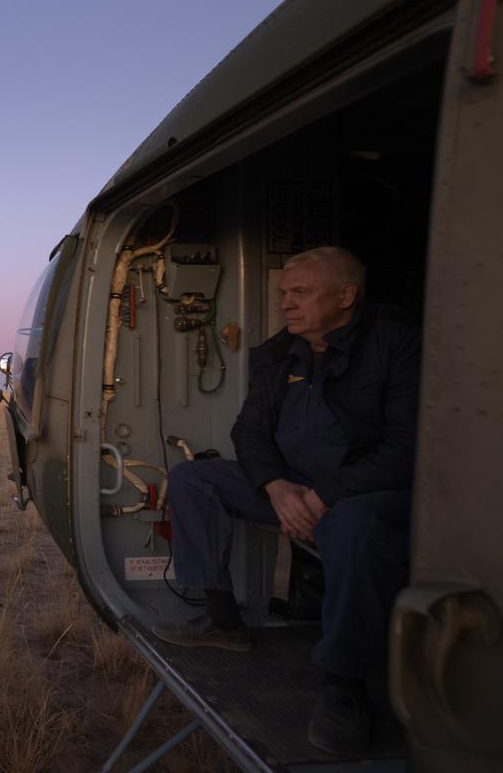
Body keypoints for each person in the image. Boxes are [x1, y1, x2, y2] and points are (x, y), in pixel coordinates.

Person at [152, 246, 420, 755]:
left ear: (346, 296)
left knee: (355, 528)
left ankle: (344, 684)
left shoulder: (395, 344)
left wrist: (322, 496)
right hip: (292, 487)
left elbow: (406, 448)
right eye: (283, 294)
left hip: (360, 494)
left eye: (301, 293)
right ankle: (222, 620)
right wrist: (275, 486)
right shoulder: (278, 354)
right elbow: (249, 431)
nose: (287, 304)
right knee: (192, 479)